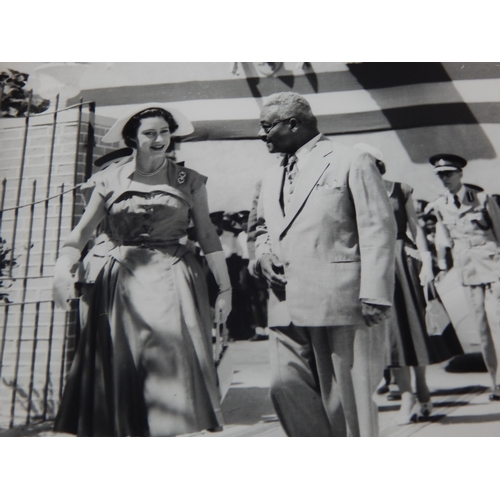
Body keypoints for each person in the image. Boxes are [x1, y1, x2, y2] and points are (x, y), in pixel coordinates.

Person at [52, 103, 232, 436]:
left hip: (175, 276)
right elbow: (81, 232)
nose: (160, 139)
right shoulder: (108, 179)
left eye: (165, 132)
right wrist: (62, 268)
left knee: (170, 365)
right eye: (150, 133)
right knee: (126, 364)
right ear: (133, 139)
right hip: (122, 281)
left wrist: (225, 288)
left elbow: (206, 234)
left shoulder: (188, 180)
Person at [254, 92, 396, 437]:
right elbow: (261, 228)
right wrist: (262, 254)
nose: (261, 135)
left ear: (293, 124)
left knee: (347, 405)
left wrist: (375, 293)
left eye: (266, 126)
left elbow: (377, 226)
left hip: (340, 301)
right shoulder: (270, 176)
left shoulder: (351, 160)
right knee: (284, 387)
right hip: (285, 303)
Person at [354, 144, 458, 424]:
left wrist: (425, 260)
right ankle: (407, 395)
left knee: (416, 327)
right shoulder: (355, 195)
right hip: (376, 263)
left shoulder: (401, 189)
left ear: (379, 164)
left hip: (405, 259)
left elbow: (415, 226)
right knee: (392, 332)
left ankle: (422, 388)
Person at [431, 153, 500, 401]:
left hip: (493, 267)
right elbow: (442, 242)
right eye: (440, 175)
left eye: (448, 174)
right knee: (481, 328)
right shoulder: (440, 206)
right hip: (468, 271)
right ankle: (496, 383)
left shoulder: (481, 199)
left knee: (497, 323)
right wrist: (440, 268)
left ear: (460, 173)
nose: (444, 179)